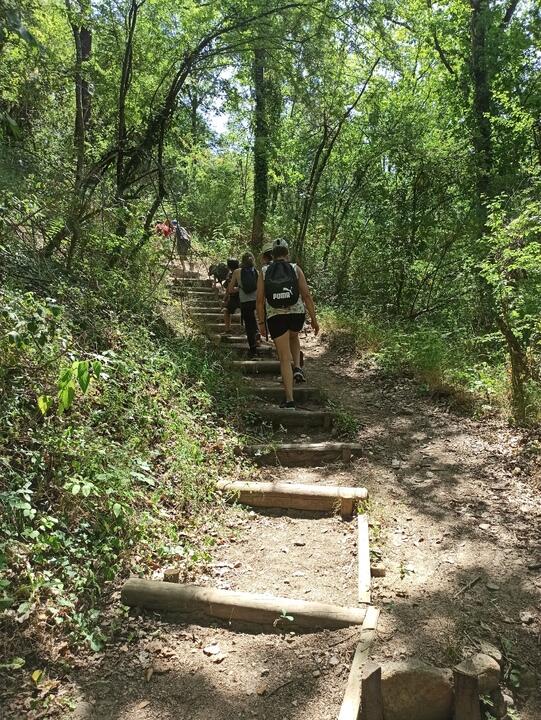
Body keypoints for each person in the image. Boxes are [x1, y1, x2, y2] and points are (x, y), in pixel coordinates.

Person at [256, 238, 319, 409]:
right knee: (294, 336)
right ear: (287, 253)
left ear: (272, 255)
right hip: (296, 314)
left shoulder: (264, 271)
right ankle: (297, 367)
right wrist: (314, 319)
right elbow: (307, 296)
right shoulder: (295, 268)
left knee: (284, 358)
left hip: (275, 316)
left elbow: (260, 300)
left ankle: (290, 399)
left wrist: (261, 323)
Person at [227, 252, 259, 358]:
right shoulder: (257, 272)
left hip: (245, 303)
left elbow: (230, 290)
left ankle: (253, 350)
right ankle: (257, 334)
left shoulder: (237, 272)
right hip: (256, 301)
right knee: (254, 321)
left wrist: (239, 288)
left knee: (249, 326)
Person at [222, 258, 240, 334]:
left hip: (234, 297)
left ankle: (227, 329)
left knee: (226, 311)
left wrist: (225, 298)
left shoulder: (231, 275)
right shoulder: (241, 272)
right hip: (244, 296)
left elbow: (228, 287)